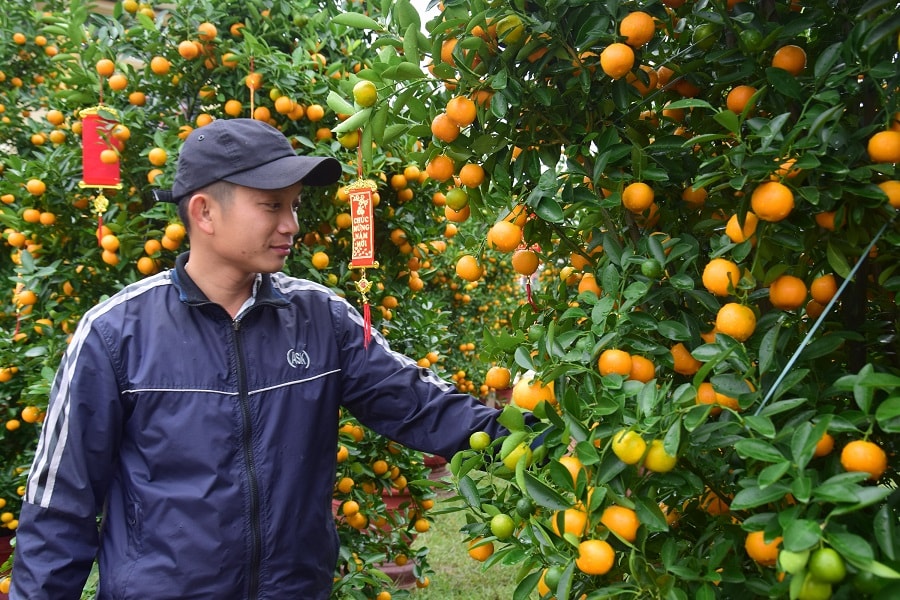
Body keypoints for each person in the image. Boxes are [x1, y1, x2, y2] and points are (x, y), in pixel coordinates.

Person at [10, 118, 513, 599]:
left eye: (294, 206)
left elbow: (420, 405)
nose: (291, 225)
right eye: (272, 206)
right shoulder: (116, 333)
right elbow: (61, 505)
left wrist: (535, 440)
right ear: (204, 212)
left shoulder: (322, 318)